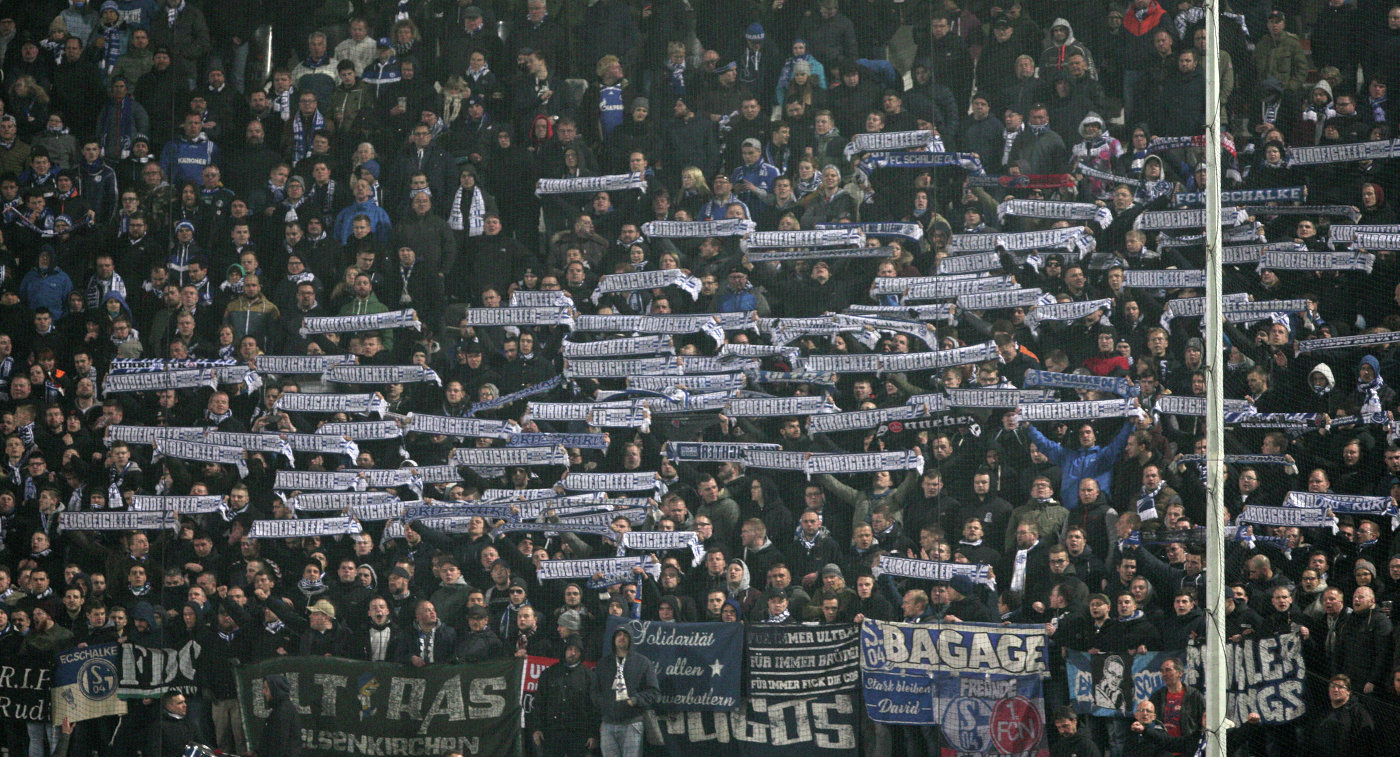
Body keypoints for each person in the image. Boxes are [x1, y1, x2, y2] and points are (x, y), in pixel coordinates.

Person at [590, 628, 659, 757]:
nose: (622, 637)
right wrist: (604, 704)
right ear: (613, 639)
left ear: (631, 639)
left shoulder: (643, 662)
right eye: (619, 634)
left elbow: (654, 692)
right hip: (607, 723)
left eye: (625, 635)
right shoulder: (603, 663)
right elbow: (594, 691)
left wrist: (635, 700)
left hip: (632, 722)